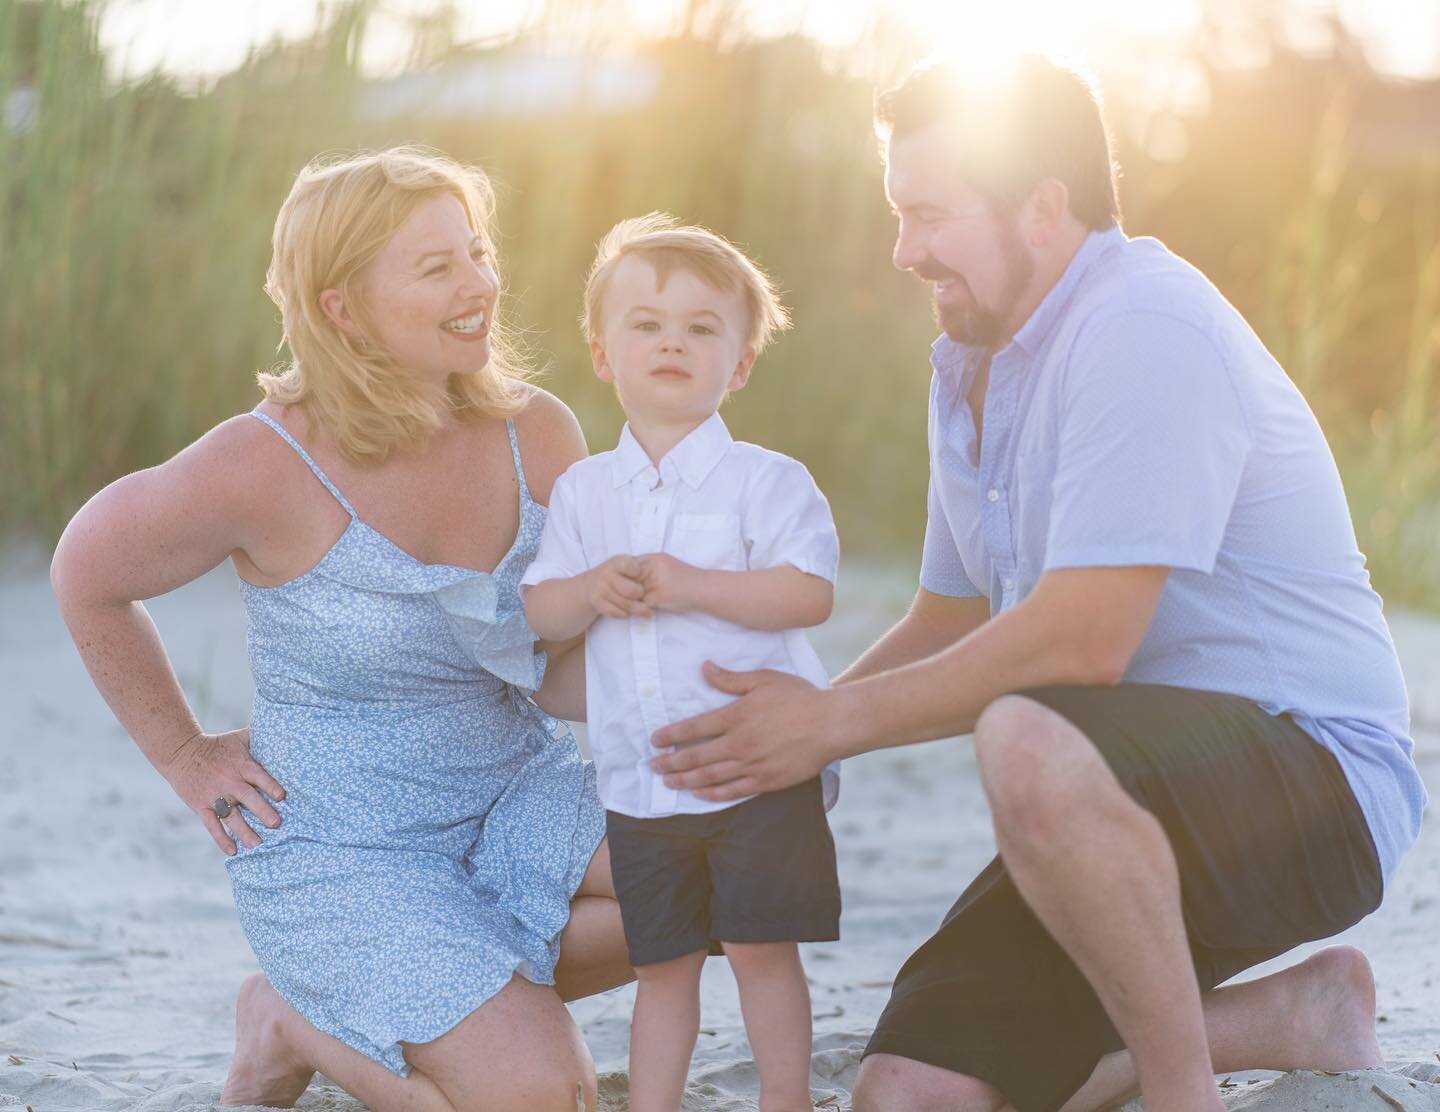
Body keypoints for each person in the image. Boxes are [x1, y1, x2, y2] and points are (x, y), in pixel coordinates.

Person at [646, 55, 1428, 1112]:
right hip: (1107, 790)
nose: (904, 249)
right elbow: (949, 614)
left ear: (1044, 208)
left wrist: (826, 727)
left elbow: (1081, 642)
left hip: (1312, 774)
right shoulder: (968, 359)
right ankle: (1302, 1011)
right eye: (898, 213)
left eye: (929, 214)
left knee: (1023, 729)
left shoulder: (1143, 326)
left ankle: (1179, 1090)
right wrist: (788, 737)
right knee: (905, 1094)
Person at [49, 146, 632, 1112]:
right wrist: (185, 755)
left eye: (477, 252)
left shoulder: (540, 433)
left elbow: (571, 653)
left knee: (736, 859)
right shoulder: (262, 464)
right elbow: (87, 572)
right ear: (341, 308)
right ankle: (295, 1019)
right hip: (349, 851)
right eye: (437, 266)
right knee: (542, 1101)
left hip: (516, 797)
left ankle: (452, 992)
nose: (480, 283)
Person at [520, 214, 843, 1112]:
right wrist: (590, 592)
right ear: (601, 352)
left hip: (753, 771)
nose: (673, 342)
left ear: (738, 364)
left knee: (758, 950)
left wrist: (693, 583)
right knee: (660, 966)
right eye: (647, 324)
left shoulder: (768, 482)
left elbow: (806, 592)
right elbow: (540, 606)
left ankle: (787, 1099)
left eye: (702, 329)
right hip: (642, 781)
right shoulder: (585, 493)